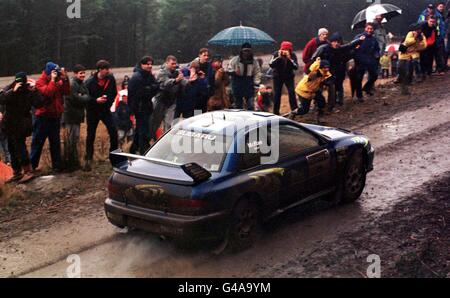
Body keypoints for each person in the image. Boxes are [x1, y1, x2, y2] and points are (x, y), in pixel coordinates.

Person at [0, 73, 43, 183]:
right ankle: (16, 171)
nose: (20, 84)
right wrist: (12, 91)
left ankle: (28, 170)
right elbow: (2, 99)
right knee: (11, 147)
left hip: (21, 124)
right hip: (9, 123)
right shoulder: (10, 88)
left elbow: (39, 104)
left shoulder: (29, 90)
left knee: (20, 147)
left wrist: (35, 90)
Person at [31, 62, 70, 172]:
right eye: (54, 72)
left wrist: (65, 79)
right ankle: (32, 166)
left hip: (55, 116)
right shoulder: (40, 82)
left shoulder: (58, 80)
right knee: (37, 143)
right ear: (49, 72)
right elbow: (47, 92)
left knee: (55, 142)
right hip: (42, 117)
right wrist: (53, 81)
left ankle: (56, 166)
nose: (56, 75)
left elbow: (67, 92)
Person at [312, 33, 365, 108]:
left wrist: (359, 40)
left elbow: (350, 45)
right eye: (334, 42)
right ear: (331, 42)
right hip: (325, 71)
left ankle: (338, 103)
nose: (336, 44)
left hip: (339, 71)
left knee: (337, 87)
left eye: (338, 42)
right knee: (320, 87)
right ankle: (318, 104)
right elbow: (314, 58)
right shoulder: (324, 48)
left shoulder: (341, 49)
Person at [84, 60, 118, 171]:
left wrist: (108, 103)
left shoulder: (110, 79)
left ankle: (113, 157)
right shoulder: (89, 82)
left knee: (113, 131)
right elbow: (85, 98)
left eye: (108, 69)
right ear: (100, 70)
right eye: (106, 69)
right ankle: (89, 158)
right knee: (91, 135)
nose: (108, 71)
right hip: (92, 111)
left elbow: (114, 93)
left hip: (105, 110)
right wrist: (95, 100)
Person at [150, 55, 189, 141]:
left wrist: (191, 80)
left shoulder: (177, 72)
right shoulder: (161, 72)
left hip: (171, 102)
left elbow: (184, 82)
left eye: (175, 64)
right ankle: (150, 140)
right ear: (167, 63)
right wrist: (176, 80)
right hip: (160, 101)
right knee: (155, 123)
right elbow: (165, 84)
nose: (174, 65)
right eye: (172, 64)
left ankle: (165, 142)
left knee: (169, 124)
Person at [128, 56, 159, 155]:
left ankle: (133, 149)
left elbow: (156, 87)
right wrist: (150, 89)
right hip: (139, 107)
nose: (149, 66)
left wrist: (149, 88)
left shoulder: (148, 75)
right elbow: (140, 93)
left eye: (151, 64)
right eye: (147, 64)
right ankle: (144, 151)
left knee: (140, 129)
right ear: (142, 65)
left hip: (147, 105)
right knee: (144, 130)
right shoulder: (137, 77)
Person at [62, 64, 90, 171]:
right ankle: (70, 163)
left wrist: (81, 96)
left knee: (75, 139)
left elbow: (87, 96)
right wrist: (81, 97)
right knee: (70, 140)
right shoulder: (72, 84)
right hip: (70, 117)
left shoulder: (82, 84)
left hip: (77, 116)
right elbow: (75, 99)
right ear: (75, 74)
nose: (83, 75)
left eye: (84, 73)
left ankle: (74, 162)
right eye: (80, 73)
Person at [289, 58, 332, 123]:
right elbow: (310, 75)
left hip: (314, 90)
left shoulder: (325, 72)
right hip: (304, 91)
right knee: (305, 110)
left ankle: (320, 117)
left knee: (322, 102)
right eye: (325, 68)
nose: (327, 69)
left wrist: (327, 82)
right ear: (321, 67)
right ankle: (293, 113)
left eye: (328, 67)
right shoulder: (314, 73)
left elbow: (326, 79)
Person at [227, 43, 262, 111]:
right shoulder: (235, 60)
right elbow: (228, 70)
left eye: (248, 51)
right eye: (245, 50)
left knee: (251, 105)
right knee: (238, 106)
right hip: (237, 83)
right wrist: (234, 72)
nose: (247, 53)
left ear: (251, 51)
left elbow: (257, 73)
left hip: (249, 83)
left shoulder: (254, 61)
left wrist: (256, 84)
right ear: (242, 51)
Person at [269, 41, 299, 115]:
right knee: (277, 94)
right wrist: (278, 57)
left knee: (291, 92)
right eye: (284, 49)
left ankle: (294, 109)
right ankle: (275, 112)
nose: (285, 51)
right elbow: (271, 64)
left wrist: (289, 59)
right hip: (277, 77)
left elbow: (296, 67)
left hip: (289, 76)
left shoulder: (292, 55)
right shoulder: (276, 54)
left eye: (287, 50)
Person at [353, 23, 381, 102]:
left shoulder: (374, 39)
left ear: (373, 30)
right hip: (360, 61)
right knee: (359, 79)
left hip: (370, 61)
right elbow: (352, 46)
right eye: (368, 28)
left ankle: (366, 88)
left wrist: (377, 54)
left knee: (375, 75)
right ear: (365, 29)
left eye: (371, 29)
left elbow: (377, 49)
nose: (369, 30)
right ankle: (359, 96)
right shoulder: (359, 37)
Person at [398, 23, 427, 95]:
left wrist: (416, 47)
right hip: (404, 52)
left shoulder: (422, 36)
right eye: (417, 30)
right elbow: (407, 42)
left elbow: (424, 46)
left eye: (420, 30)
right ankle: (401, 79)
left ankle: (417, 76)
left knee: (414, 63)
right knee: (401, 67)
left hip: (414, 52)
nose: (418, 31)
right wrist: (414, 38)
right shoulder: (410, 33)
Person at [419, 3, 447, 74]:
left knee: (438, 54)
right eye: (429, 8)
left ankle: (440, 69)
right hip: (426, 37)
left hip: (437, 37)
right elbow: (419, 24)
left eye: (431, 8)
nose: (430, 9)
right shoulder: (422, 15)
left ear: (434, 8)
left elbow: (442, 26)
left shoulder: (438, 15)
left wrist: (442, 36)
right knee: (426, 55)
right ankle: (427, 70)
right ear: (427, 8)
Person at [190, 48, 214, 113]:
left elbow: (211, 78)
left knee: (204, 111)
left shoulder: (209, 65)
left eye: (207, 55)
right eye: (204, 55)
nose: (206, 57)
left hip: (205, 92)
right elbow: (191, 77)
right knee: (197, 112)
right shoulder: (194, 64)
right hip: (196, 93)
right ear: (199, 55)